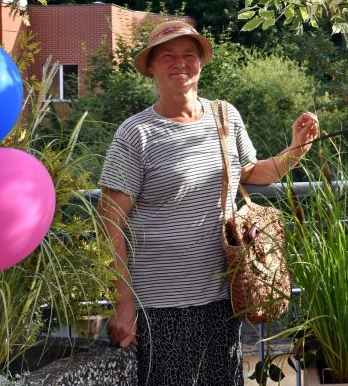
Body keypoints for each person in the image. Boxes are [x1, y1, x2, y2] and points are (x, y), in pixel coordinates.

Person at [97, 20, 318, 386]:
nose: (178, 63)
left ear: (201, 63)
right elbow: (109, 220)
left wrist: (295, 151)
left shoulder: (224, 116)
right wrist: (123, 304)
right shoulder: (136, 133)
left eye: (188, 55)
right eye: (167, 55)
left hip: (221, 299)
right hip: (159, 308)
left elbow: (250, 172)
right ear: (151, 67)